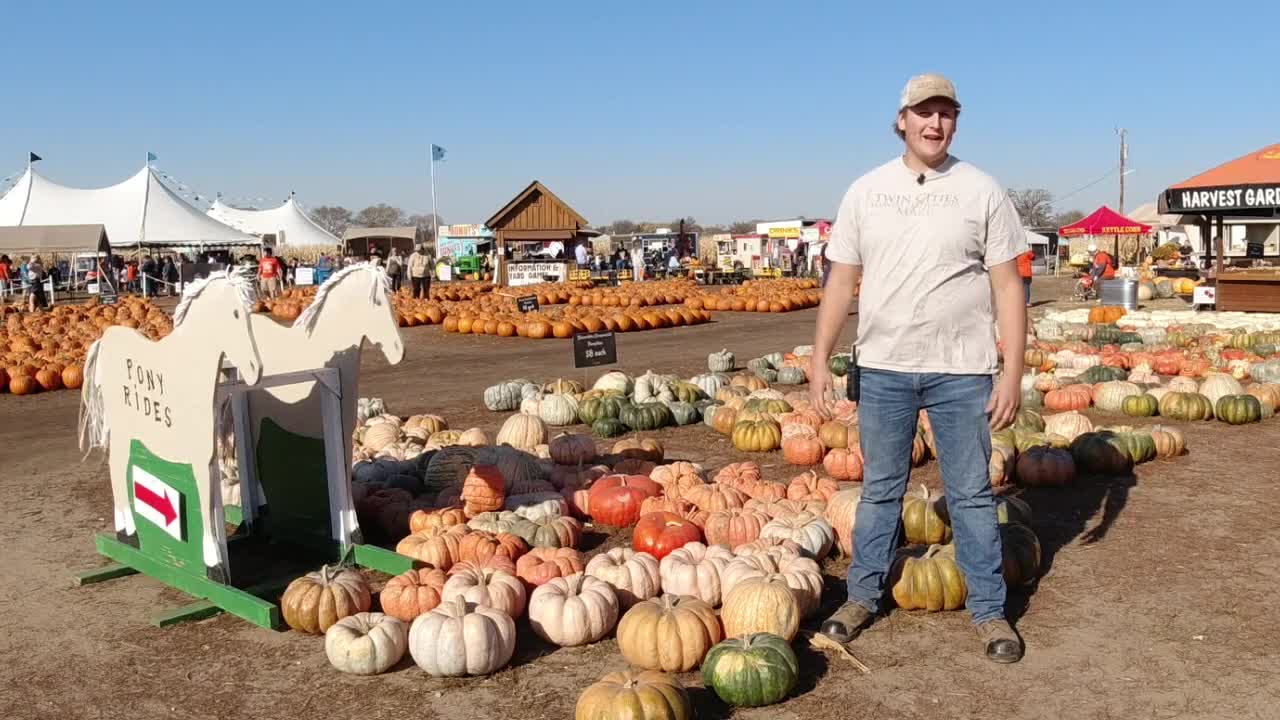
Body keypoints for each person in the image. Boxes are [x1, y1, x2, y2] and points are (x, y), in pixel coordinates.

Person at [809, 74, 1028, 664]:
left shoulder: (982, 190)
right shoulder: (866, 192)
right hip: (883, 367)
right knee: (881, 490)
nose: (935, 124)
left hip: (962, 371)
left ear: (955, 121)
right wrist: (818, 357)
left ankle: (989, 611)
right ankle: (862, 597)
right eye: (923, 113)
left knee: (972, 494)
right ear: (901, 120)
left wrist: (1012, 371)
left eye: (946, 113)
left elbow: (1009, 285)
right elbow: (841, 283)